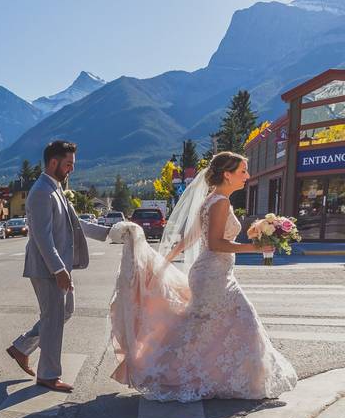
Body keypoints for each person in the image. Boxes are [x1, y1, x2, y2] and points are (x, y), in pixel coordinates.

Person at [108, 151, 297, 402]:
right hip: (213, 275)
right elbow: (216, 243)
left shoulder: (211, 200)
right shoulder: (220, 202)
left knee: (207, 327)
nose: (247, 176)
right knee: (242, 320)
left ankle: (208, 375)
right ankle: (184, 373)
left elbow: (193, 237)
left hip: (213, 273)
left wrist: (162, 263)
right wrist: (255, 247)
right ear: (227, 175)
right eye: (242, 171)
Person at [8, 140, 109, 392]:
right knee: (53, 318)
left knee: (63, 313)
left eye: (72, 164)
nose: (71, 170)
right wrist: (58, 270)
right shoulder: (41, 191)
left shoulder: (54, 188)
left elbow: (78, 225)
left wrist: (114, 233)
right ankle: (48, 375)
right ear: (53, 162)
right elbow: (42, 236)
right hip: (47, 267)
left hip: (58, 265)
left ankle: (22, 347)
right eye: (68, 164)